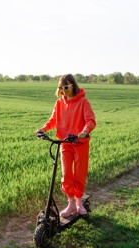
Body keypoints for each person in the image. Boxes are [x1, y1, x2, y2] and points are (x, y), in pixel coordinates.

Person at [35, 74, 96, 217]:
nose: (63, 90)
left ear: (73, 85)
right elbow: (53, 120)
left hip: (79, 143)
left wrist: (84, 131)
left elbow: (91, 120)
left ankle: (79, 202)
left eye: (66, 87)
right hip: (65, 144)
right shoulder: (59, 103)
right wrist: (44, 129)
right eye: (61, 87)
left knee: (79, 174)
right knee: (66, 174)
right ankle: (70, 204)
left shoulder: (83, 102)